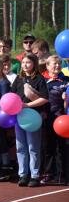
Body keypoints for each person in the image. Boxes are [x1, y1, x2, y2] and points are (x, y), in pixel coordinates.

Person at [11, 53, 48, 187]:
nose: (25, 65)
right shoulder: (18, 78)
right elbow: (12, 96)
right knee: (20, 146)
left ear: (34, 64)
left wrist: (27, 105)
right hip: (18, 116)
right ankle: (23, 175)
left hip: (33, 116)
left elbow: (44, 98)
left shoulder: (39, 79)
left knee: (33, 146)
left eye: (28, 62)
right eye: (23, 62)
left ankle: (35, 175)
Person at [41, 55, 69, 185]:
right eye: (54, 64)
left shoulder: (66, 80)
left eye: (58, 63)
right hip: (48, 118)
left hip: (63, 120)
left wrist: (66, 99)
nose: (57, 66)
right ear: (47, 66)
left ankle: (63, 174)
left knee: (63, 148)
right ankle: (48, 173)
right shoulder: (44, 81)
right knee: (49, 147)